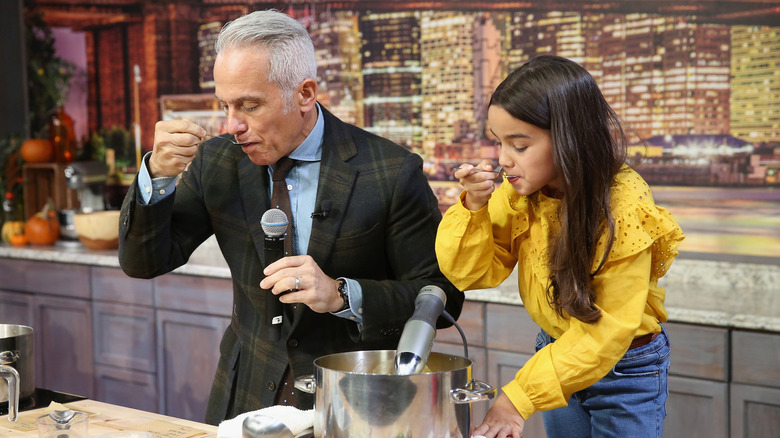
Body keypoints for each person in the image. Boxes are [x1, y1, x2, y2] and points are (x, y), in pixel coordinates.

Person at [118, 10, 463, 425]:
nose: (233, 125)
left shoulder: (391, 171)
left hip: (355, 403)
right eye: (225, 105)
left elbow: (442, 298)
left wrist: (342, 294)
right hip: (245, 395)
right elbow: (143, 262)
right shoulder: (217, 162)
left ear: (304, 94)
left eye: (249, 105)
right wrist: (156, 175)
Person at [436, 55, 685, 438]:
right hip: (557, 352)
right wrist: (473, 208)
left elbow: (606, 334)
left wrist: (518, 397)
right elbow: (470, 273)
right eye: (498, 142)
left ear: (571, 138)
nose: (503, 159)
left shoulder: (622, 204)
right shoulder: (521, 192)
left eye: (519, 145)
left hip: (625, 365)